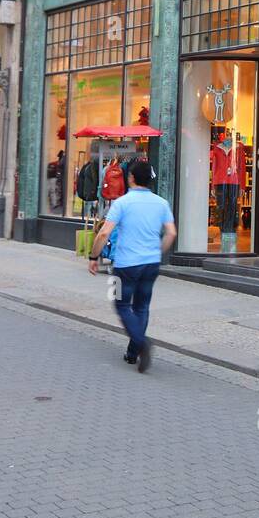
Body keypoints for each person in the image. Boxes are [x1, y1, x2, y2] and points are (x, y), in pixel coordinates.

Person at [88, 159, 176, 374]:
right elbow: (171, 233)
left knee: (120, 304)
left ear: (132, 178)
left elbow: (104, 232)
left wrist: (93, 256)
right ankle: (133, 351)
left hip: (125, 265)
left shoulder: (122, 203)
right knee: (142, 306)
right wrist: (158, 252)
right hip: (151, 264)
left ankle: (141, 342)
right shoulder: (162, 203)